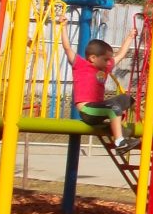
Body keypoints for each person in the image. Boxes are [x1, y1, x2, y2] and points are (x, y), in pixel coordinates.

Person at [59, 19, 139, 153]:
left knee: (127, 98)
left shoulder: (104, 69)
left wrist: (130, 37)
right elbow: (67, 48)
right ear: (92, 58)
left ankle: (120, 127)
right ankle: (119, 142)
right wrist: (63, 26)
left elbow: (120, 55)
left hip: (100, 109)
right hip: (87, 110)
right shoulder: (80, 65)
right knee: (113, 108)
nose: (109, 62)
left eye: (109, 59)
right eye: (106, 59)